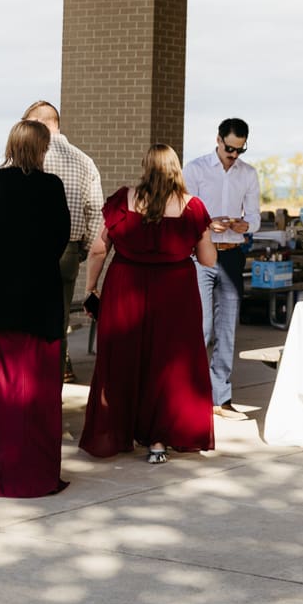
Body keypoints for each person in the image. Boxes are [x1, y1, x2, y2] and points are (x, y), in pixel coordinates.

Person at [78, 145, 217, 462]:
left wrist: (91, 288)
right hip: (175, 293)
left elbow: (100, 249)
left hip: (126, 287)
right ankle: (158, 441)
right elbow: (208, 259)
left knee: (123, 359)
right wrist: (202, 237)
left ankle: (118, 432)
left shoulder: (124, 198)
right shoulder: (193, 207)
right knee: (168, 365)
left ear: (145, 168)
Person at [0, 121, 72, 498]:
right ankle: (39, 476)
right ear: (40, 149)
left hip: (3, 302)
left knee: (6, 389)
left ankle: (5, 477)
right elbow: (60, 239)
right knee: (40, 390)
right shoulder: (51, 186)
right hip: (39, 299)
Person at [185, 119, 261, 420]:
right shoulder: (195, 169)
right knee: (201, 327)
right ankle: (190, 392)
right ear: (218, 139)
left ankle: (221, 398)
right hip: (201, 254)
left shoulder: (249, 174)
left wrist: (245, 225)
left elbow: (254, 217)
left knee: (227, 329)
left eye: (240, 150)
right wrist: (207, 223)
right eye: (229, 148)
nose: (233, 154)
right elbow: (183, 211)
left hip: (232, 254)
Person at [24, 99, 103, 384]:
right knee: (58, 326)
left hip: (30, 252)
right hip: (68, 250)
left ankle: (26, 389)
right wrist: (81, 248)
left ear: (37, 123)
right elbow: (95, 211)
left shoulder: (29, 156)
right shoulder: (84, 160)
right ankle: (51, 396)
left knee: (27, 324)